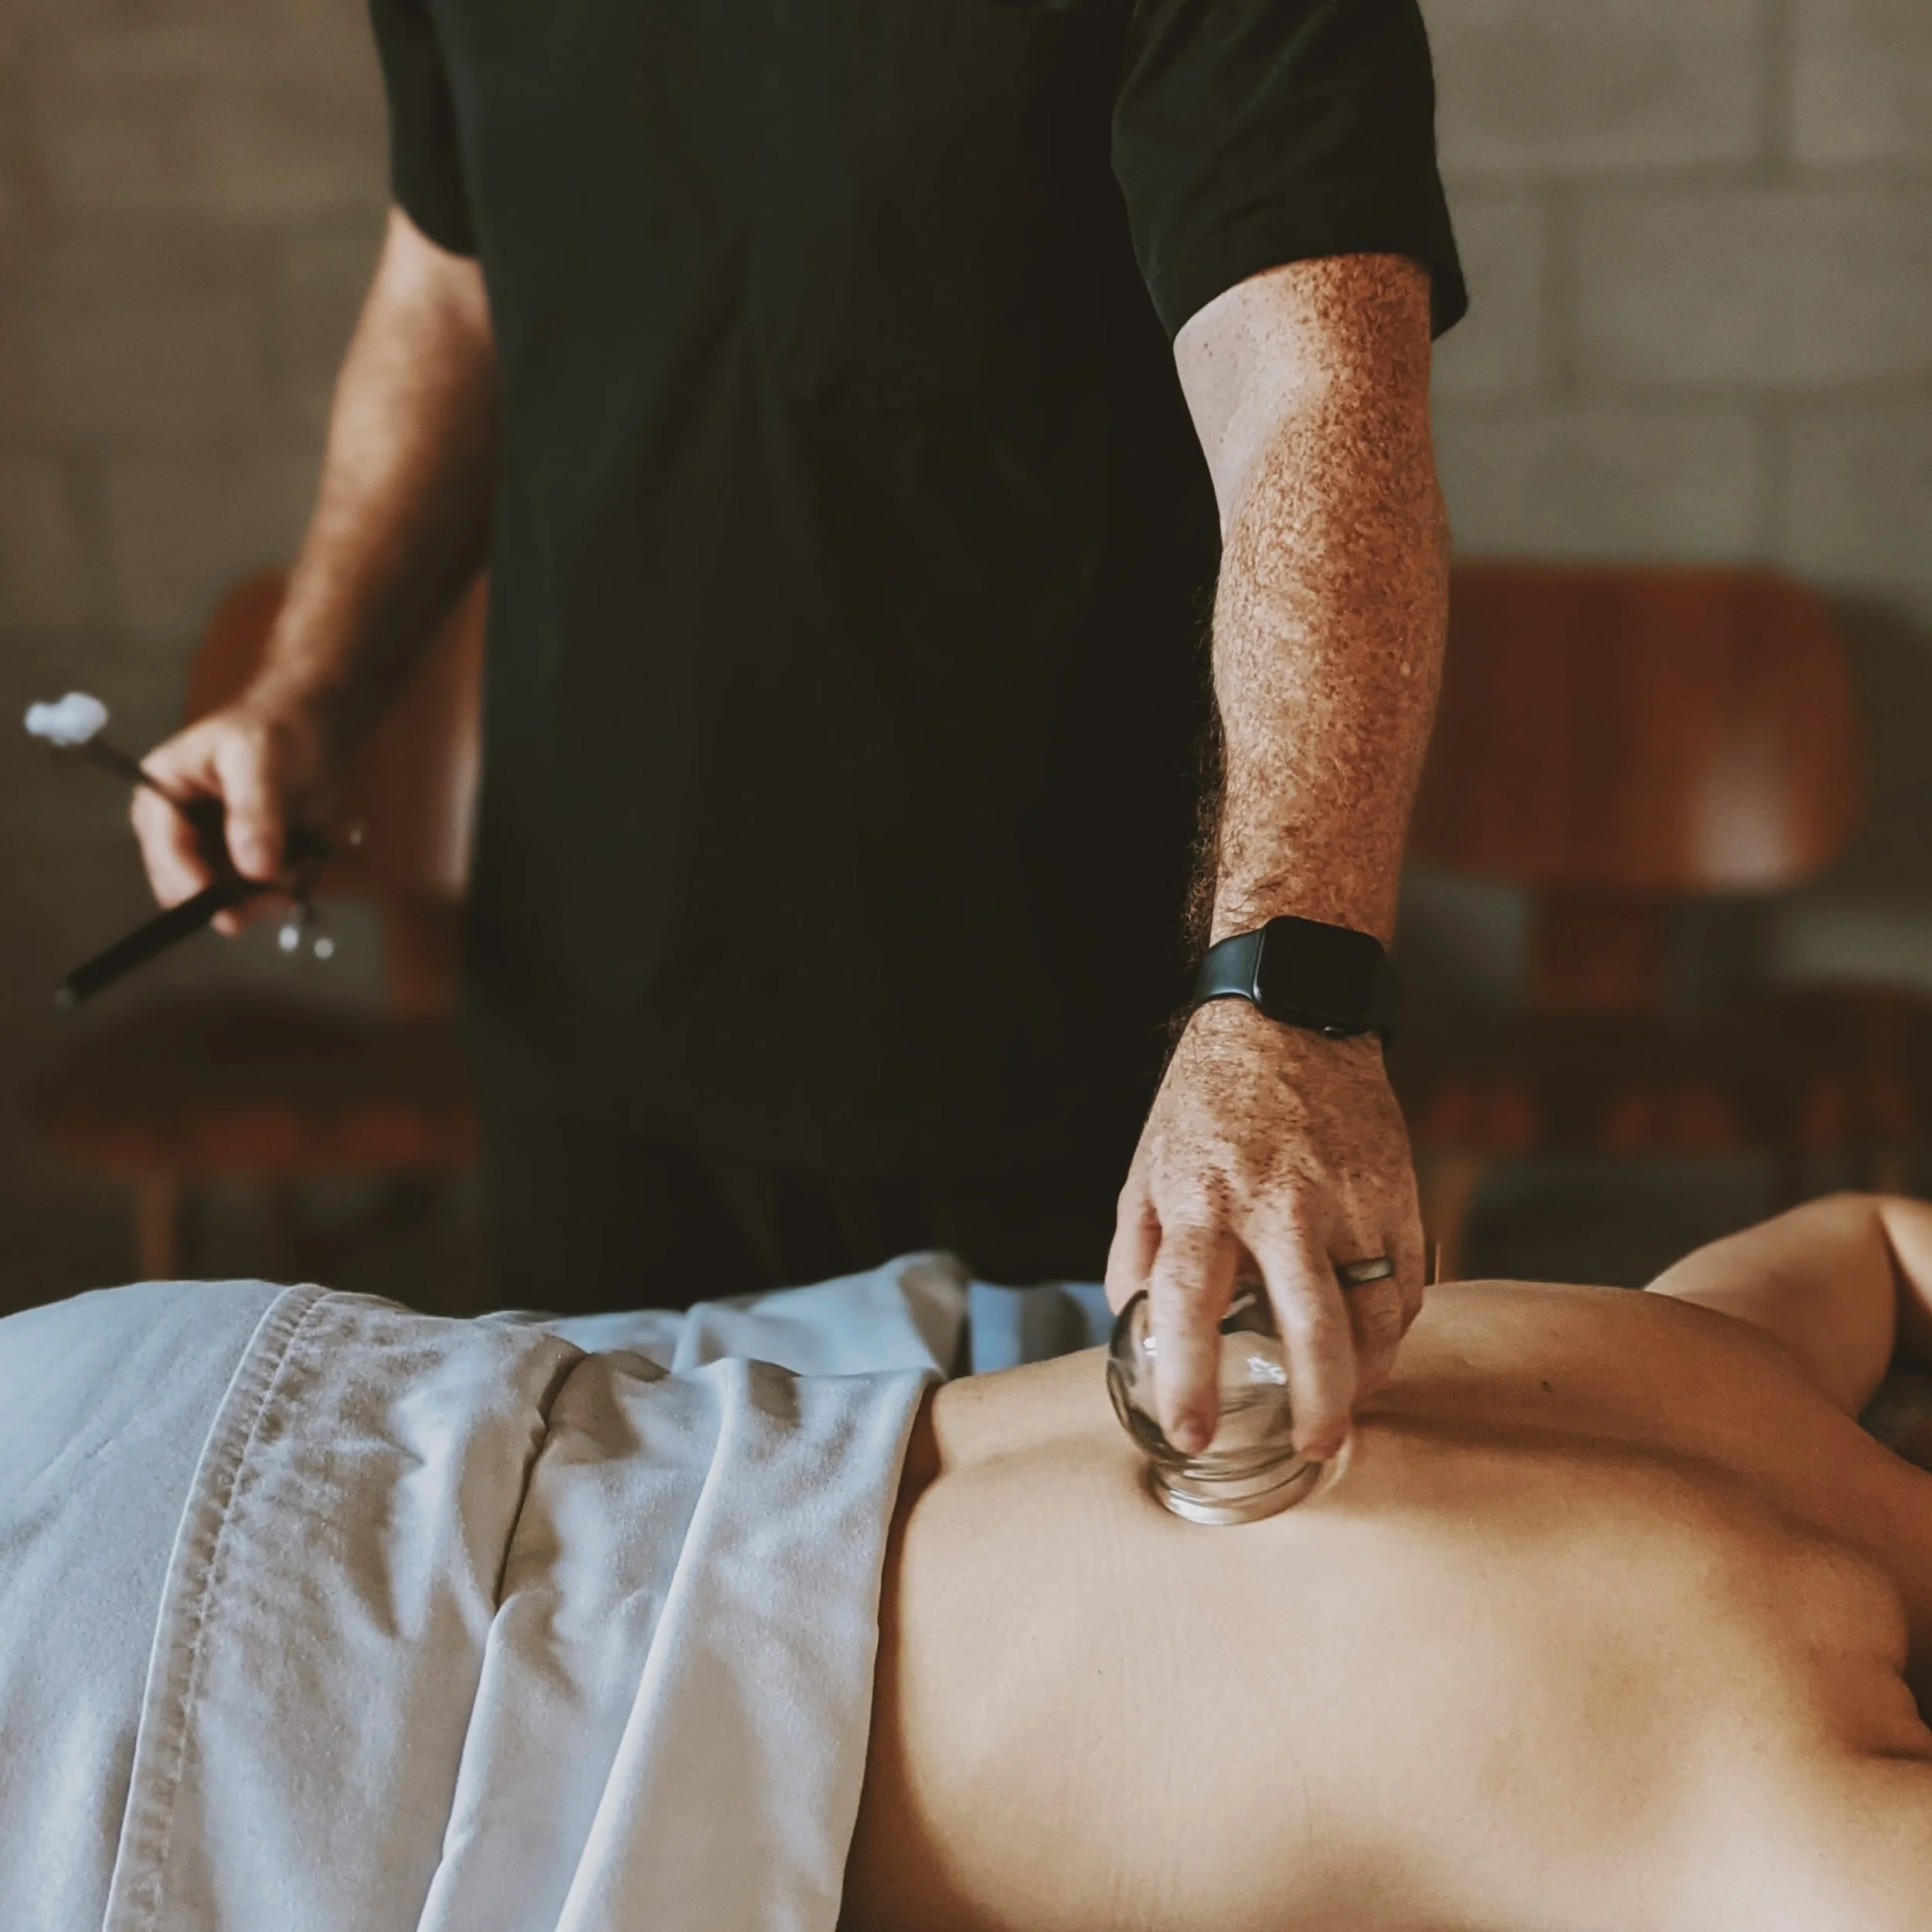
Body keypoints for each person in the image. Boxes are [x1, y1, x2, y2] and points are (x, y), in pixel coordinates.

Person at [127, 0, 1466, 1461]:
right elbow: (452, 277)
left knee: (1081, 1661)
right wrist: (311, 694)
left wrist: (1287, 996)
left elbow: (1315, 391)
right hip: (599, 1017)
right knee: (626, 1646)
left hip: (1091, 1051)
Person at [2, 1198, 1930, 1927]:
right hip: (305, 1758)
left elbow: (1873, 1229)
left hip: (232, 1410)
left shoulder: (1734, 1352)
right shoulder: (1766, 1783)